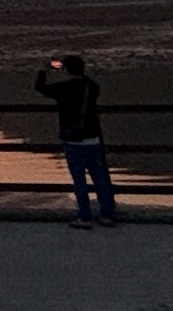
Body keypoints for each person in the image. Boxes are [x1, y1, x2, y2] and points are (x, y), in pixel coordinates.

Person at [36, 53, 117, 228]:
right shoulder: (91, 87)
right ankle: (106, 215)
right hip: (92, 139)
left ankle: (84, 217)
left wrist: (45, 70)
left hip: (72, 139)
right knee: (99, 178)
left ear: (66, 70)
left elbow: (40, 88)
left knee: (79, 180)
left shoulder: (62, 88)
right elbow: (93, 85)